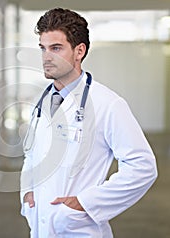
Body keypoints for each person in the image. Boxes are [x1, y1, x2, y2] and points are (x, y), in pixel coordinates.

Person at [20, 8, 158, 238]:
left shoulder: (108, 104)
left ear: (79, 51)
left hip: (77, 229)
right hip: (39, 226)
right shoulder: (41, 101)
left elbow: (142, 167)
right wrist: (27, 193)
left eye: (56, 48)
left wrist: (85, 203)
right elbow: (32, 154)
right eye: (42, 48)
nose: (46, 57)